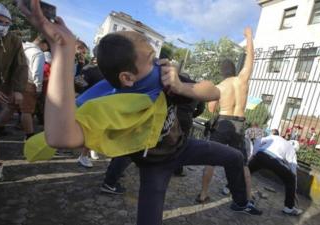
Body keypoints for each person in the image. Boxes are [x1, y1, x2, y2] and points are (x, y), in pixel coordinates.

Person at [17, 1, 262, 225]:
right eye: (151, 58)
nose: (160, 62)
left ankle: (241, 202)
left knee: (234, 157)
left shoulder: (164, 76)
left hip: (184, 147)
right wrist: (64, 50)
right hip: (153, 166)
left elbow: (213, 93)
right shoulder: (108, 101)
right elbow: (61, 135)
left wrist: (180, 86)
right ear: (127, 77)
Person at [197, 27, 257, 204]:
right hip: (239, 123)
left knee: (211, 159)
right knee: (243, 163)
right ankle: (248, 197)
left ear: (222, 72)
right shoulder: (242, 79)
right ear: (234, 69)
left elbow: (211, 108)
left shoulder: (220, 86)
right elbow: (251, 58)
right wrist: (249, 37)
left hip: (223, 122)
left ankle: (203, 194)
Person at [0, 1, 28, 182]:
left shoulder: (13, 39)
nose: (2, 25)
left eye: (6, 22)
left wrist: (18, 90)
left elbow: (21, 65)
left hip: (2, 90)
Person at [248, 129, 303, 216]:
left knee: (246, 171)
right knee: (290, 179)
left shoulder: (276, 137)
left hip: (260, 155)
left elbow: (259, 141)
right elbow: (293, 169)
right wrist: (294, 189)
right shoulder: (292, 149)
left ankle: (228, 187)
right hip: (274, 160)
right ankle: (289, 208)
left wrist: (254, 155)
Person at [21, 35, 48, 139]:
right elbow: (37, 72)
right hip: (29, 83)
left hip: (17, 80)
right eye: (47, 46)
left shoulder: (23, 48)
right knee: (27, 110)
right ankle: (29, 135)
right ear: (43, 44)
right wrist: (39, 88)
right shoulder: (38, 53)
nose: (47, 49)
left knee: (11, 107)